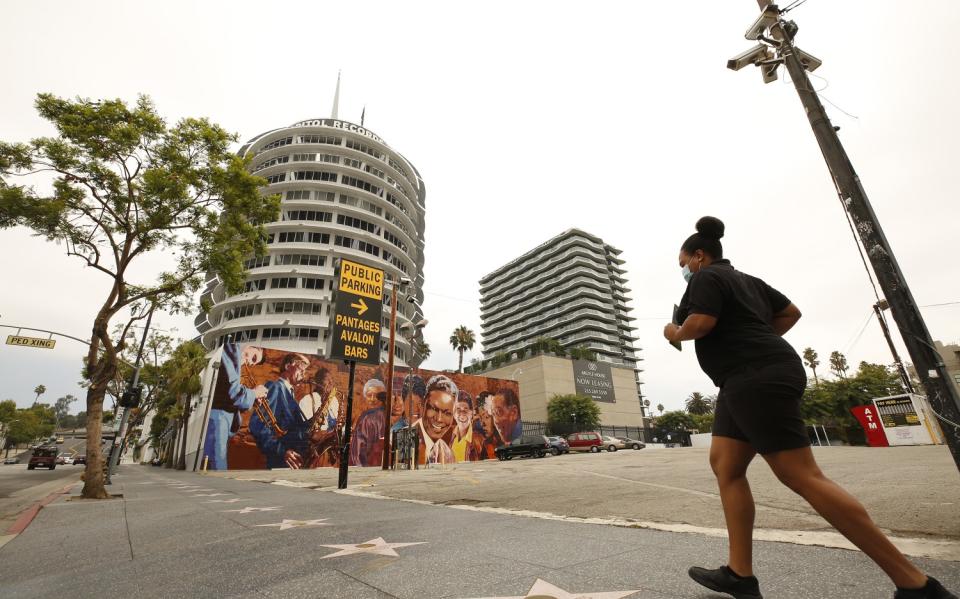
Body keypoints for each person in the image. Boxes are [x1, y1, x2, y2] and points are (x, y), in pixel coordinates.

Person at [663, 216, 956, 599]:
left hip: (755, 376)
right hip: (741, 377)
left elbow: (699, 324)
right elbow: (790, 313)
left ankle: (915, 583)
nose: (684, 270)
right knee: (725, 464)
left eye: (683, 262)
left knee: (801, 475)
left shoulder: (706, 278)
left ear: (699, 256)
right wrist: (760, 336)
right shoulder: (748, 281)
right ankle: (740, 574)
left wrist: (675, 332)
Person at [203, 342, 268, 470]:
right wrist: (254, 393)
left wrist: (251, 397)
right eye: (253, 357)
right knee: (217, 467)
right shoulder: (232, 349)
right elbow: (233, 393)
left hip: (222, 420)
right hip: (218, 417)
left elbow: (230, 393)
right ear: (251, 345)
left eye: (253, 363)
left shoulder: (234, 356)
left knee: (216, 465)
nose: (250, 363)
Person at [248, 353, 311, 469]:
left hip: (292, 462)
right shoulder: (275, 387)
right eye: (301, 366)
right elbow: (257, 425)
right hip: (280, 462)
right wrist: (282, 452)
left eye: (305, 370)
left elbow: (293, 428)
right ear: (288, 366)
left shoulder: (290, 394)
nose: (304, 373)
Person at [416, 375, 457, 465]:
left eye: (447, 413)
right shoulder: (398, 443)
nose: (439, 419)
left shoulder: (448, 454)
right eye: (433, 409)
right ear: (422, 407)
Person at [349, 380, 387, 467]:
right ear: (364, 397)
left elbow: (357, 454)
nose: (373, 399)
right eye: (369, 395)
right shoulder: (362, 416)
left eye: (377, 396)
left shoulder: (367, 418)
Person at [450, 390, 476, 462]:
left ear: (471, 413)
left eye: (465, 409)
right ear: (454, 414)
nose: (462, 414)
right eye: (458, 410)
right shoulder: (450, 436)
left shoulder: (477, 440)